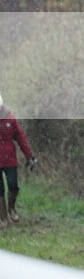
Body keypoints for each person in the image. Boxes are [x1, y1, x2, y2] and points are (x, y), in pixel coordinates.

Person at [0, 93, 38, 226]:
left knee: (13, 185)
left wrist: (29, 156)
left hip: (9, 159)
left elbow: (21, 138)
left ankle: (11, 208)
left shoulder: (10, 118)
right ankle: (3, 218)